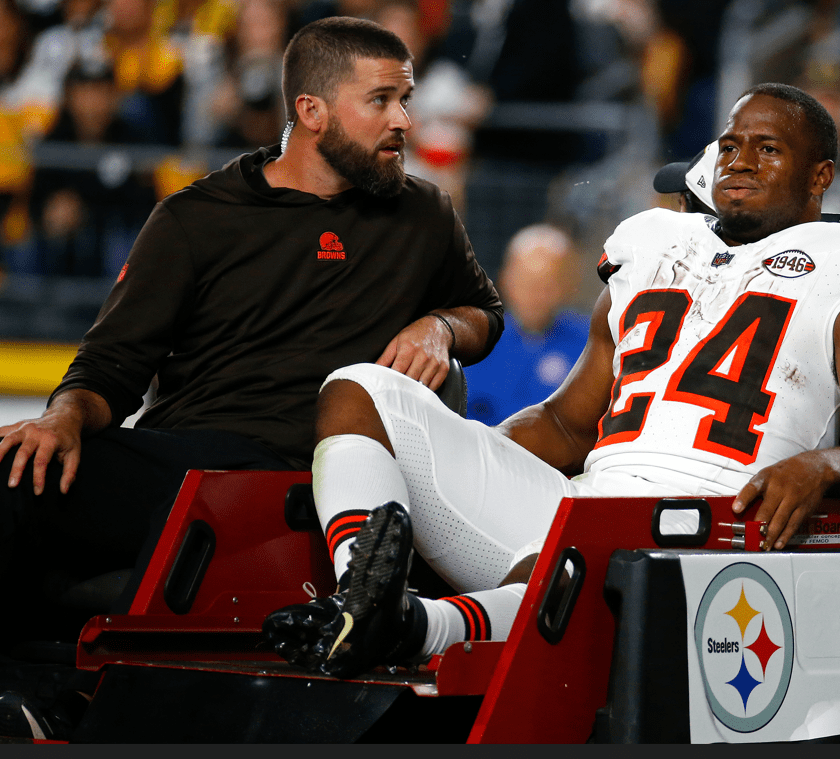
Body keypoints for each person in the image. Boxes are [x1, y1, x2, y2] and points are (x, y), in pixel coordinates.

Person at [264, 83, 840, 678]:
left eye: (768, 149)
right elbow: (565, 423)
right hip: (586, 497)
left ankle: (413, 625)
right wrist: (468, 459)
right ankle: (359, 596)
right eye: (731, 146)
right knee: (362, 389)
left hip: (705, 523)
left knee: (563, 564)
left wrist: (823, 466)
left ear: (821, 175)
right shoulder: (654, 243)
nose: (740, 161)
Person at [0, 17, 503, 645]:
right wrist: (62, 419)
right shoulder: (194, 217)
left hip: (304, 480)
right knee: (18, 465)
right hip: (188, 461)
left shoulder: (424, 212)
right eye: (381, 100)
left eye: (406, 98)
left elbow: (485, 313)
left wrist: (441, 327)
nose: (404, 120)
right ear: (312, 111)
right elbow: (110, 366)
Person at [463, 224, 589, 427]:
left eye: (547, 285)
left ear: (569, 285)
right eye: (527, 283)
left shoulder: (590, 342)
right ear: (505, 280)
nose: (536, 296)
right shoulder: (476, 342)